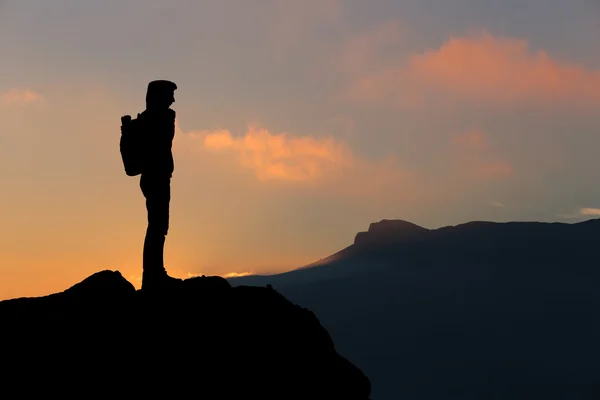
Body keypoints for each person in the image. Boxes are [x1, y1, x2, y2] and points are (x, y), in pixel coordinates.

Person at [135, 80, 181, 290]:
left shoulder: (148, 119)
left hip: (156, 176)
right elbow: (162, 144)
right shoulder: (159, 118)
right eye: (169, 94)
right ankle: (153, 276)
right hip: (156, 177)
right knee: (158, 226)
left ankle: (154, 274)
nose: (173, 99)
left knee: (158, 226)